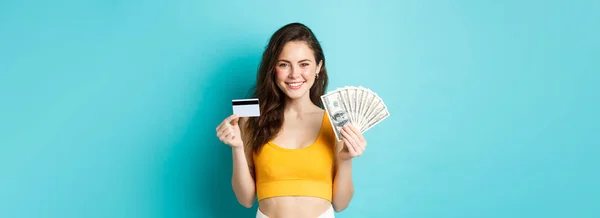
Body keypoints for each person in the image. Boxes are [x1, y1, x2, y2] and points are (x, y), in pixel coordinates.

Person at [216, 23, 368, 218]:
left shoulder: (335, 122)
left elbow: (341, 203)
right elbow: (245, 199)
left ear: (318, 67)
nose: (294, 74)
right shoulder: (252, 121)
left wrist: (346, 159)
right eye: (283, 64)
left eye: (304, 64)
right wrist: (236, 147)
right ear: (273, 69)